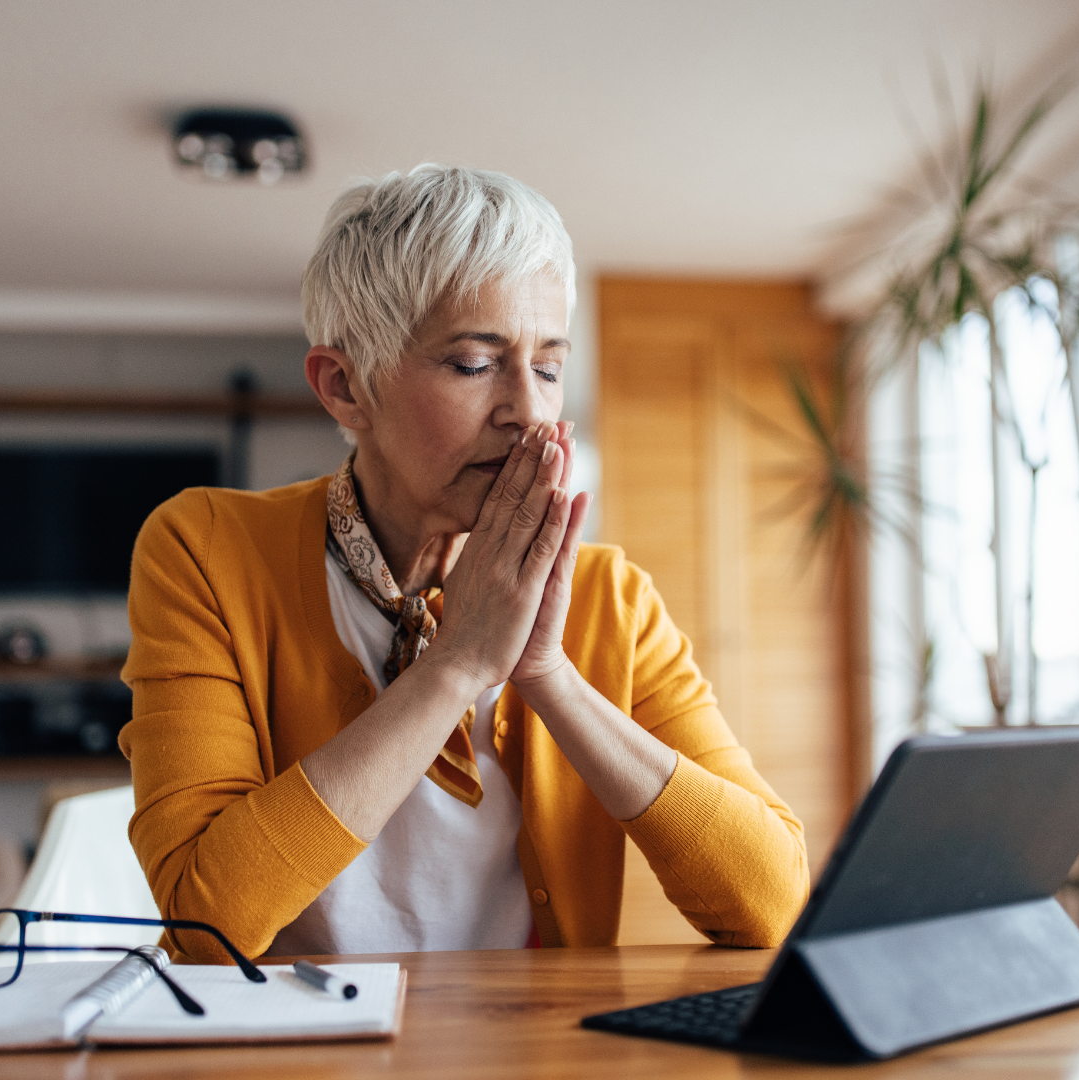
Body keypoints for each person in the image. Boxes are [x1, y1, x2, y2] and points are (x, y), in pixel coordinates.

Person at [121, 164, 808, 962]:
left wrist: (546, 674)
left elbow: (770, 904)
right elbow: (206, 923)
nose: (528, 410)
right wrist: (454, 667)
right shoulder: (205, 551)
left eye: (549, 368)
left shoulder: (608, 598)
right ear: (346, 388)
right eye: (475, 365)